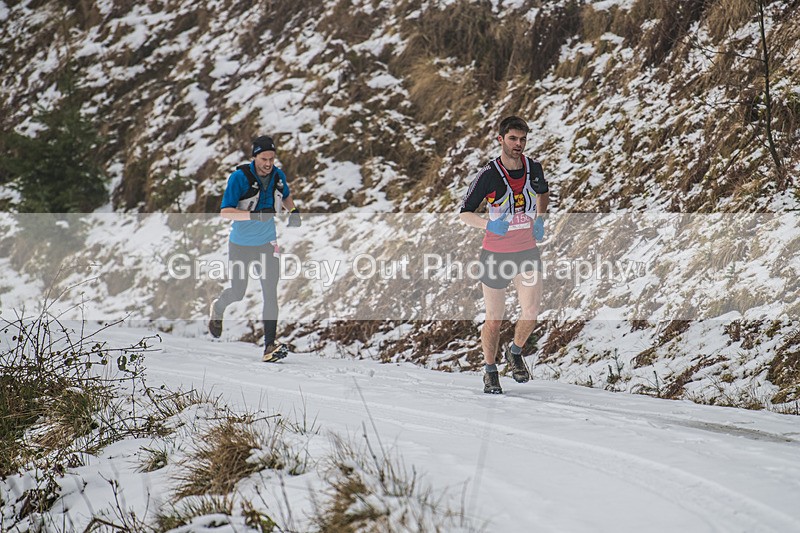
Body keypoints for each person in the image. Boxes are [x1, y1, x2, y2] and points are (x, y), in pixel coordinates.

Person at [459, 116, 549, 394]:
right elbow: (464, 213)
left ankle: (515, 351)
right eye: (513, 139)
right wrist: (489, 225)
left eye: (522, 139)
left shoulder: (533, 168)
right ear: (501, 140)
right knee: (494, 319)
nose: (518, 144)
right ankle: (489, 370)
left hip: (526, 251)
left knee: (531, 311)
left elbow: (543, 193)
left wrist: (540, 219)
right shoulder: (488, 175)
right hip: (495, 254)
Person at [208, 135, 302, 362]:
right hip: (240, 245)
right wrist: (254, 215)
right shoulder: (239, 178)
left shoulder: (278, 176)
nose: (268, 163)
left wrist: (294, 211)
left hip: (268, 243)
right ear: (254, 157)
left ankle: (269, 346)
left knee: (271, 292)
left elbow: (286, 196)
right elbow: (225, 211)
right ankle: (219, 306)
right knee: (239, 292)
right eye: (263, 159)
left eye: (271, 158)